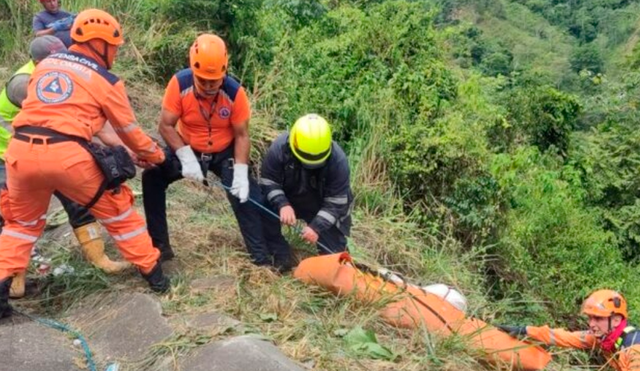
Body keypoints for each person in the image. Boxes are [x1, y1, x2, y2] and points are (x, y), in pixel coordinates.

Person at [0, 8, 170, 319]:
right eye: (115, 48)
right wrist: (156, 156)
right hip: (67, 157)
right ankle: (156, 277)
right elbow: (128, 130)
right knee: (119, 210)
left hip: (21, 152)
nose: (116, 54)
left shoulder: (46, 64)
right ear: (102, 44)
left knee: (19, 226)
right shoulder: (106, 79)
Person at [142, 33, 289, 269]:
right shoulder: (179, 85)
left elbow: (242, 135)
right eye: (203, 81)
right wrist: (184, 156)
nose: (209, 86)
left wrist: (240, 171)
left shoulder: (234, 93)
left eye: (214, 81)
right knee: (152, 177)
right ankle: (160, 247)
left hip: (224, 152)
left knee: (247, 197)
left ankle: (262, 258)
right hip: (188, 147)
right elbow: (166, 125)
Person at [0, 35, 131, 299]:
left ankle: (100, 259)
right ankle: (14, 281)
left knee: (80, 202)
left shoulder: (56, 77)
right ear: (36, 62)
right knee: (15, 219)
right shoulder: (25, 83)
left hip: (46, 151)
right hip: (9, 158)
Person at [259, 114, 353, 258]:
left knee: (335, 256)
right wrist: (282, 203)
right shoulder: (279, 148)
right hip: (288, 198)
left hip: (320, 205)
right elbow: (268, 181)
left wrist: (316, 227)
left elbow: (336, 202)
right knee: (262, 204)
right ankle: (278, 255)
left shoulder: (338, 161)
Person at [497, 289, 640, 371]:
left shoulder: (634, 348)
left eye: (597, 319)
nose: (591, 324)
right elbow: (564, 337)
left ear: (615, 320)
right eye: (590, 318)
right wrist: (526, 330)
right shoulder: (605, 337)